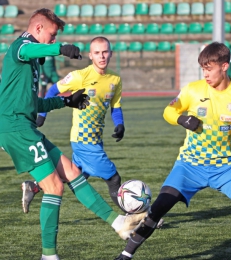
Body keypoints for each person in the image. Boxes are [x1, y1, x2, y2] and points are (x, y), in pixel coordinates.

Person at [0, 8, 146, 260]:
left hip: (24, 126)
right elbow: (27, 50)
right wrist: (60, 49)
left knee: (72, 172)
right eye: (52, 34)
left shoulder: (32, 62)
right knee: (54, 187)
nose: (54, 40)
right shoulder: (21, 47)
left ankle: (118, 222)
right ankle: (49, 256)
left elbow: (33, 104)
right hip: (14, 128)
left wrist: (65, 103)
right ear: (37, 29)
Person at [114, 42, 231, 260]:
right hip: (189, 165)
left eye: (209, 69)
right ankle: (126, 255)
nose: (206, 74)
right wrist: (182, 119)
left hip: (226, 167)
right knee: (158, 208)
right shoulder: (193, 90)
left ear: (224, 66)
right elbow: (168, 111)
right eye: (203, 69)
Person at [23, 36, 126, 212]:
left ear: (111, 54)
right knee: (113, 179)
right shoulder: (81, 76)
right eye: (97, 53)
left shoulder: (115, 79)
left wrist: (120, 124)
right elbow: (53, 90)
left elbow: (116, 106)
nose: (101, 56)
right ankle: (139, 216)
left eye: (105, 52)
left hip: (96, 138)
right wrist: (42, 115)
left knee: (74, 176)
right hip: (83, 139)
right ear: (90, 56)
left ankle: (33, 186)